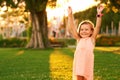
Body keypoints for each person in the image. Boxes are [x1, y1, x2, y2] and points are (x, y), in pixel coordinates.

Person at [67, 4, 104, 80]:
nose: (84, 31)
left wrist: (99, 14)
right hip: (79, 65)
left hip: (87, 65)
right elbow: (72, 28)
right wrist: (70, 15)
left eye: (86, 29)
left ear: (91, 31)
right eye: (82, 29)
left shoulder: (92, 39)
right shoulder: (79, 39)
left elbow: (98, 26)